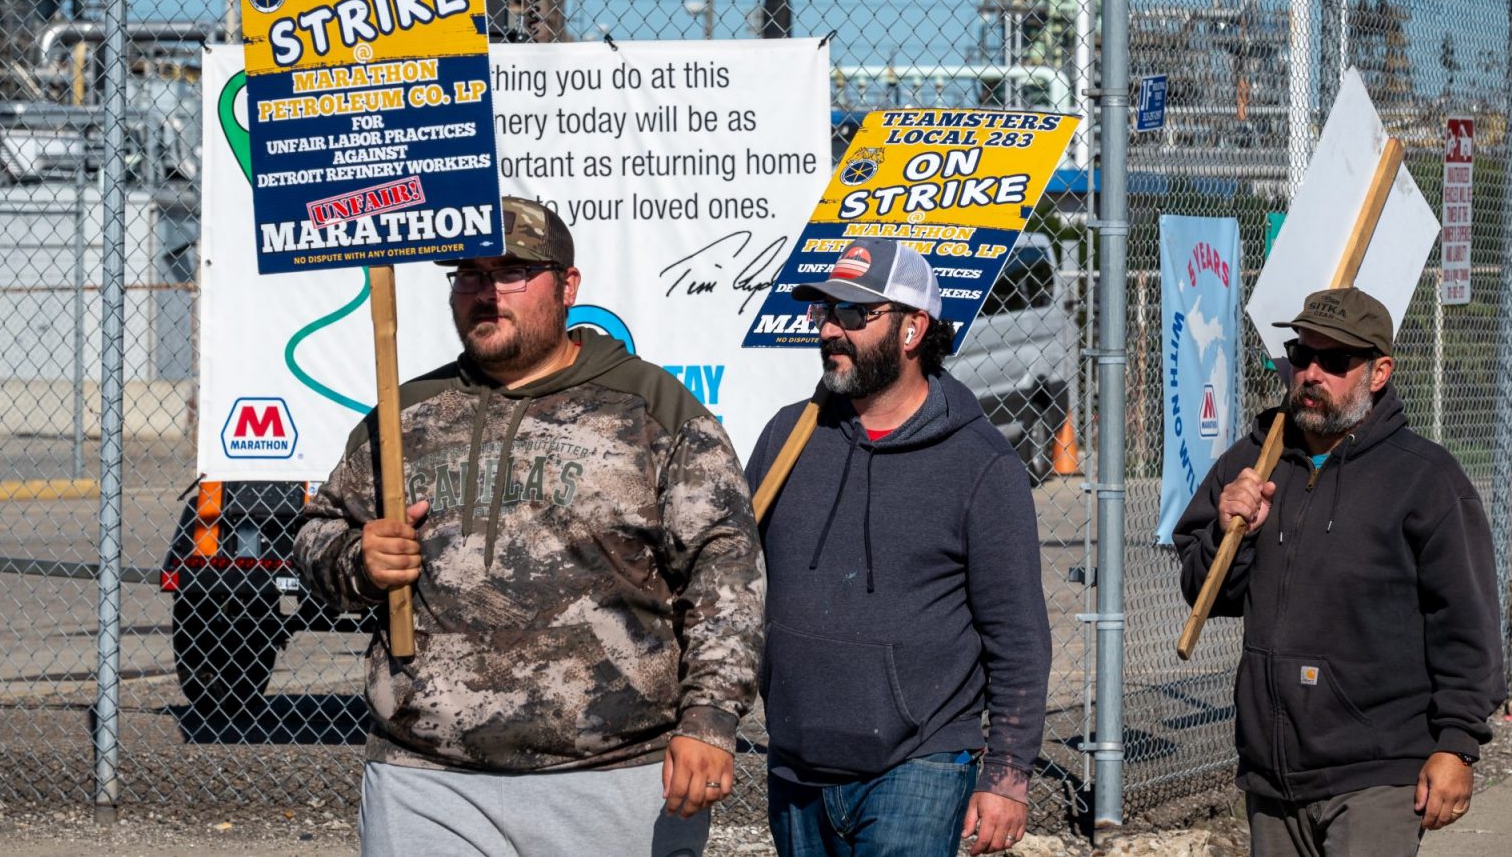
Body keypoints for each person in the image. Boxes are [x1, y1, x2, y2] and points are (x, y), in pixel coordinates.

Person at [292, 196, 764, 857]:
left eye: (512, 272)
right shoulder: (408, 417)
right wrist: (357, 560)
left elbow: (726, 571)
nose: (487, 293)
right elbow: (319, 537)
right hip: (425, 777)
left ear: (567, 286)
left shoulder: (650, 409)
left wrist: (710, 717)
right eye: (470, 274)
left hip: (611, 776)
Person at [1169, 287, 1504, 857]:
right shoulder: (1252, 463)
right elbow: (1205, 592)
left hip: (1378, 768)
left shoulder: (1426, 480)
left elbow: (1467, 624)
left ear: (1378, 372)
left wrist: (1457, 744)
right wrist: (1234, 531)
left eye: (1335, 361)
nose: (1312, 373)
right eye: (1302, 356)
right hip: (1272, 772)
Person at [744, 237, 1051, 857]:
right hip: (797, 758)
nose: (831, 329)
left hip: (920, 761)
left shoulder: (979, 464)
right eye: (823, 312)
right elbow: (731, 582)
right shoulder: (787, 437)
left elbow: (1017, 634)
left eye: (853, 315)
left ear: (913, 329)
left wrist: (1007, 776)